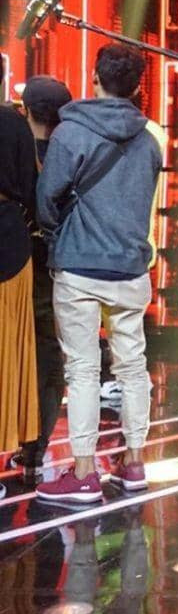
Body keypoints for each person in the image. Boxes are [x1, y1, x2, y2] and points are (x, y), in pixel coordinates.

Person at [35, 44, 163, 504]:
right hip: (130, 267)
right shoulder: (149, 140)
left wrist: (58, 237)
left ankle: (85, 472)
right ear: (137, 86)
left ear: (95, 78)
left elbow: (47, 199)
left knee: (84, 370)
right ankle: (134, 464)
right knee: (133, 367)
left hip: (80, 266)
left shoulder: (71, 133)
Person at [7, 76, 72, 482]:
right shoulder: (71, 151)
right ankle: (35, 448)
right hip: (55, 263)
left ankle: (14, 435)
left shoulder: (11, 144)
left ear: (27, 109)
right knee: (48, 353)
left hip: (13, 259)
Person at [0, 76, 40, 501]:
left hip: (9, 244)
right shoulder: (14, 124)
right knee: (6, 355)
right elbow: (32, 190)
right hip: (9, 244)